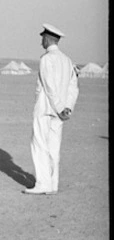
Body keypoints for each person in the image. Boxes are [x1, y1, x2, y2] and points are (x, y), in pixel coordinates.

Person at [23, 23, 79, 195]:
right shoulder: (67, 60)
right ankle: (53, 184)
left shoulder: (47, 59)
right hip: (60, 112)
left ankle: (43, 183)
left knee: (39, 144)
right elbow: (73, 87)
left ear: (48, 39)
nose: (41, 41)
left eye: (42, 38)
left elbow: (49, 86)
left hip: (46, 108)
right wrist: (67, 107)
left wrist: (61, 107)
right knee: (54, 147)